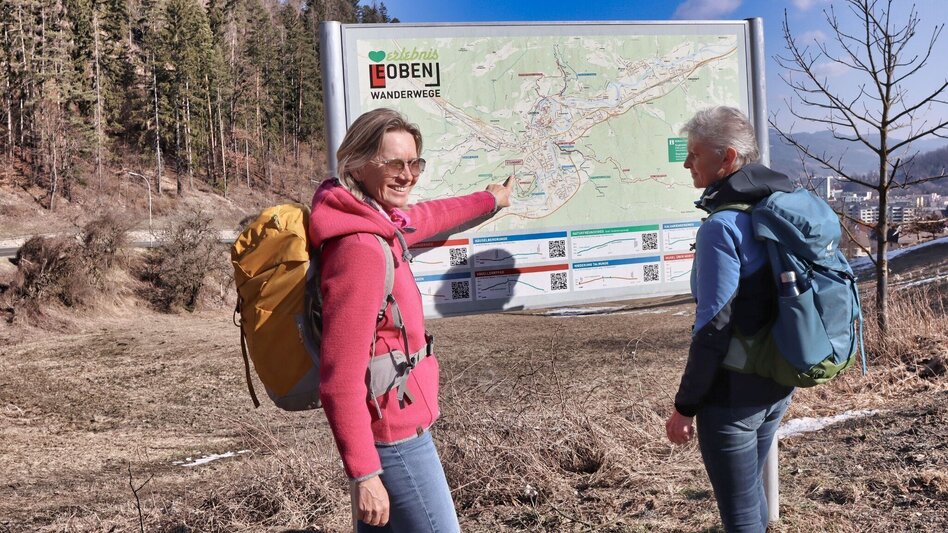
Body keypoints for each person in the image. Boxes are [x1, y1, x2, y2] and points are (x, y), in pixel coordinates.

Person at [308, 107, 513, 532]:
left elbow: (431, 215)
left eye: (414, 162)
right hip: (393, 435)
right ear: (358, 165)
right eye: (395, 163)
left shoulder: (380, 221)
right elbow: (339, 378)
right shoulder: (360, 248)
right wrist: (364, 475)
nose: (408, 175)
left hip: (395, 422)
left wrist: (490, 199)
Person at [665, 106, 796, 532]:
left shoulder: (722, 227)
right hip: (777, 380)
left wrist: (685, 407)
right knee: (750, 498)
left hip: (732, 395)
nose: (687, 164)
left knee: (740, 516)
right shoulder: (772, 207)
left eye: (695, 154)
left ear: (727, 157)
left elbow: (713, 324)